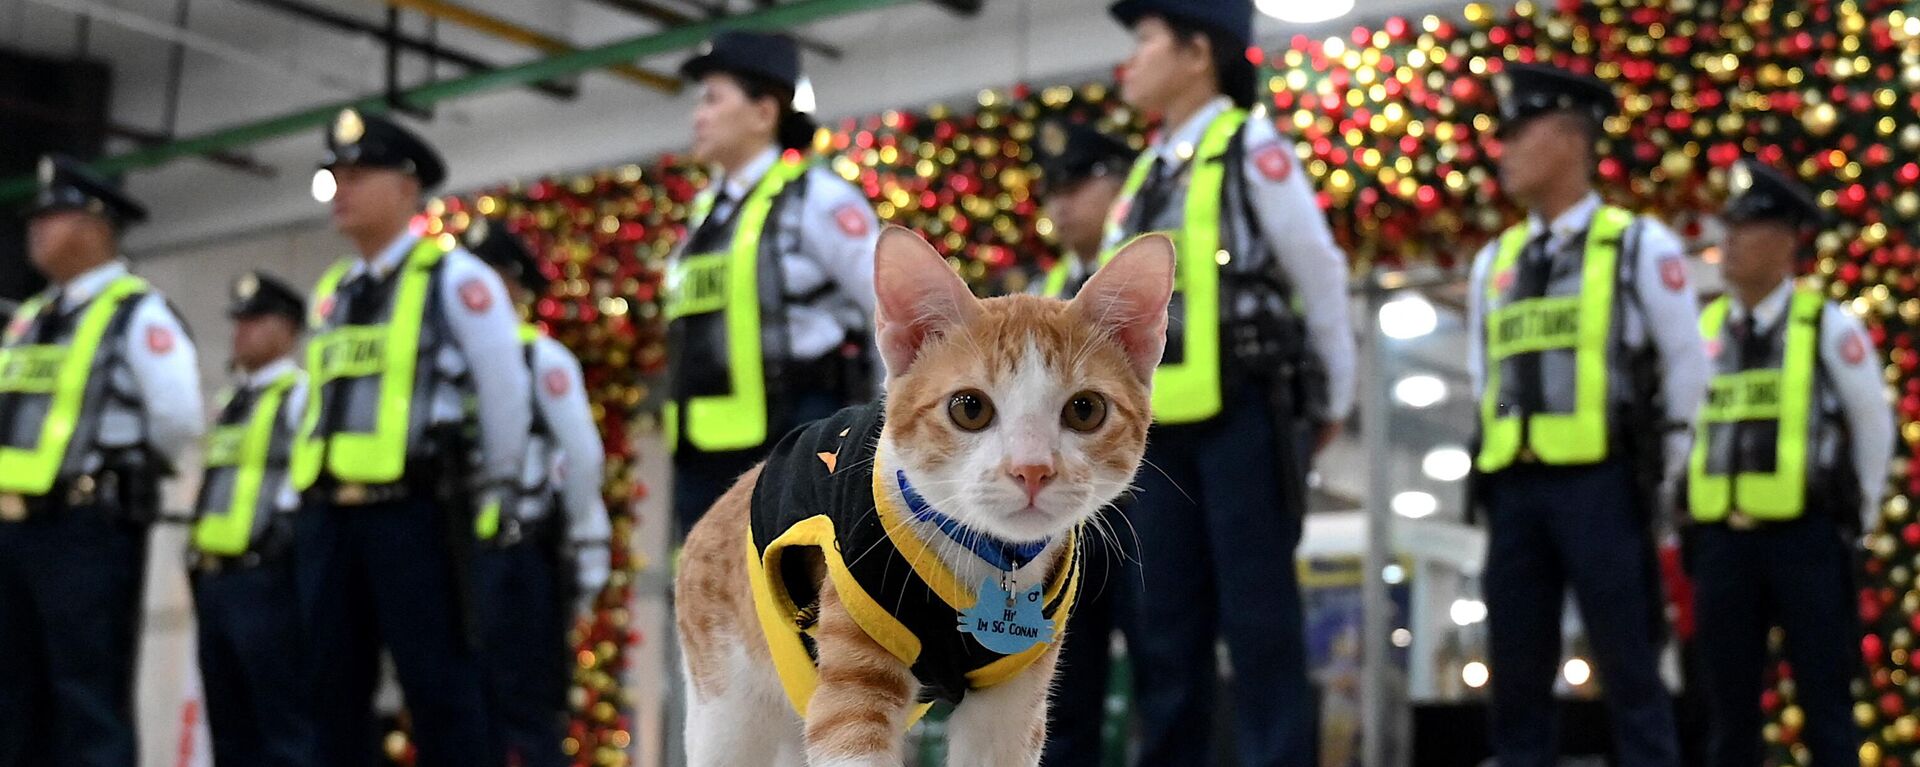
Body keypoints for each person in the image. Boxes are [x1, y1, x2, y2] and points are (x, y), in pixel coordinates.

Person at [1103, 0, 1358, 763]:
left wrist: (1334, 398)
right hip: (1158, 432)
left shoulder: (1253, 147)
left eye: (1147, 39)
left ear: (1197, 54)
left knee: (1259, 618)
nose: (1132, 58)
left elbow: (1320, 274)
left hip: (1245, 413)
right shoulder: (1145, 175)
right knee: (1164, 625)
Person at [1466, 62, 1707, 766]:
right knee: (1515, 674)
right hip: (1514, 492)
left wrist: (1667, 485)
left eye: (1520, 132)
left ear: (1572, 139)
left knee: (1630, 664)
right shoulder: (1494, 262)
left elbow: (1687, 369)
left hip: (1602, 486)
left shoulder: (1637, 245)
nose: (1503, 149)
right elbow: (1487, 374)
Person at [293, 108, 529, 767]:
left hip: (417, 514)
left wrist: (494, 490)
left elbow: (504, 391)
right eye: (335, 174)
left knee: (443, 688)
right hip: (328, 519)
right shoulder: (333, 293)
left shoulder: (455, 279)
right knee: (329, 694)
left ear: (405, 186)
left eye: (359, 174)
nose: (341, 187)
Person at [1685, 159, 1894, 766]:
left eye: (1745, 231)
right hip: (1723, 543)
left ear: (1783, 242)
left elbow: (1872, 426)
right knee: (1729, 718)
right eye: (1727, 230)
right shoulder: (1705, 331)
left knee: (1826, 710)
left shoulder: (1827, 327)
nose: (1728, 244)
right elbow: (1689, 428)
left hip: (1805, 541)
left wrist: (1863, 518)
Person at [0, 154, 203, 765]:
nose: (35, 229)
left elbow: (178, 419)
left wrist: (118, 480)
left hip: (86, 529)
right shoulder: (30, 320)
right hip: (15, 532)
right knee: (14, 700)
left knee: (87, 699)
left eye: (51, 216)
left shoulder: (136, 312)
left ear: (96, 225)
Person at [666, 30, 879, 540]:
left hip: (798, 435)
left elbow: (889, 308)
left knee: (794, 598)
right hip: (701, 449)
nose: (699, 115)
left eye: (714, 98)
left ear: (765, 112)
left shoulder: (818, 200)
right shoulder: (703, 218)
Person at [465, 218, 613, 767]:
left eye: (489, 276)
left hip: (519, 555)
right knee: (462, 705)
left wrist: (574, 546)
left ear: (516, 287)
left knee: (527, 709)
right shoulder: (452, 363)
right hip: (457, 557)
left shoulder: (539, 359)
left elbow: (582, 457)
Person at [1028, 116, 1136, 767]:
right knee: (1060, 662)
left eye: (1076, 185)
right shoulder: (1042, 295)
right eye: (1051, 190)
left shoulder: (1136, 285)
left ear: (1119, 186)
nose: (1059, 204)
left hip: (1142, 487)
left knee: (1162, 650)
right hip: (1056, 507)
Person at [188, 270, 314, 767]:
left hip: (269, 578)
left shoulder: (298, 395)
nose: (240, 331)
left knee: (284, 724)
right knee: (230, 726)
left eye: (255, 321)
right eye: (238, 321)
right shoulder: (232, 403)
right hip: (217, 581)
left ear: (288, 329)